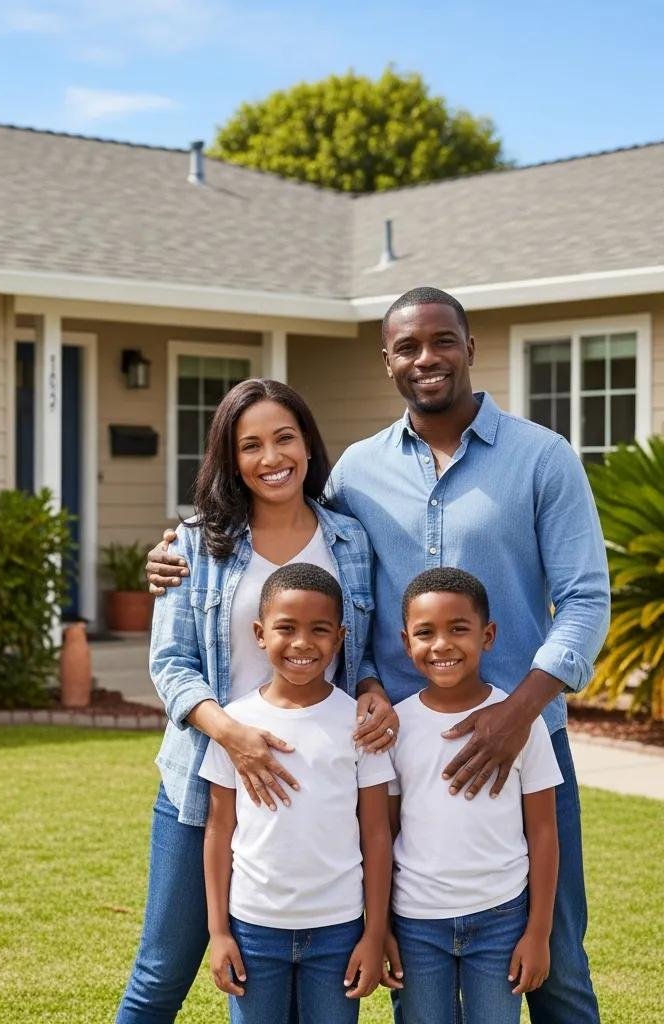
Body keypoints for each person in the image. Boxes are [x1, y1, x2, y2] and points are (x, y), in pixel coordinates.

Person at [146, 286, 609, 1024]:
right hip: (395, 753)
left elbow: (586, 601)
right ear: (387, 360)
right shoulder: (357, 473)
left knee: (555, 962)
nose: (426, 359)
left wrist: (517, 713)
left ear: (469, 345)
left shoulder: (541, 459)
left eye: (442, 341)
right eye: (407, 347)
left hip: (522, 741)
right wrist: (177, 551)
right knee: (405, 949)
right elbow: (286, 531)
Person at [116, 379, 391, 1024]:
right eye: (251, 445)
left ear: (307, 444)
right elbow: (172, 666)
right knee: (161, 971)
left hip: (321, 786)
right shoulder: (193, 545)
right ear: (230, 458)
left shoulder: (350, 540)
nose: (272, 457)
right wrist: (233, 737)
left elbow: (364, 652)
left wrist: (374, 689)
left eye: (284, 438)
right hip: (206, 783)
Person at [200, 562, 394, 1024]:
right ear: (260, 633)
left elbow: (377, 833)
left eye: (319, 629)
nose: (303, 643)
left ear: (341, 637)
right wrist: (219, 931)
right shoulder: (235, 725)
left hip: (338, 929)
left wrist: (373, 932)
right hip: (253, 927)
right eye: (286, 628)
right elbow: (218, 829)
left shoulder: (358, 725)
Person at [388, 567, 562, 1024]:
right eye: (425, 633)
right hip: (416, 921)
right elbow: (383, 831)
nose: (442, 645)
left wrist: (539, 931)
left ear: (488, 635)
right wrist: (381, 924)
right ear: (406, 643)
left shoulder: (524, 725)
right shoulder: (397, 727)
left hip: (501, 918)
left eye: (458, 629)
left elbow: (543, 831)